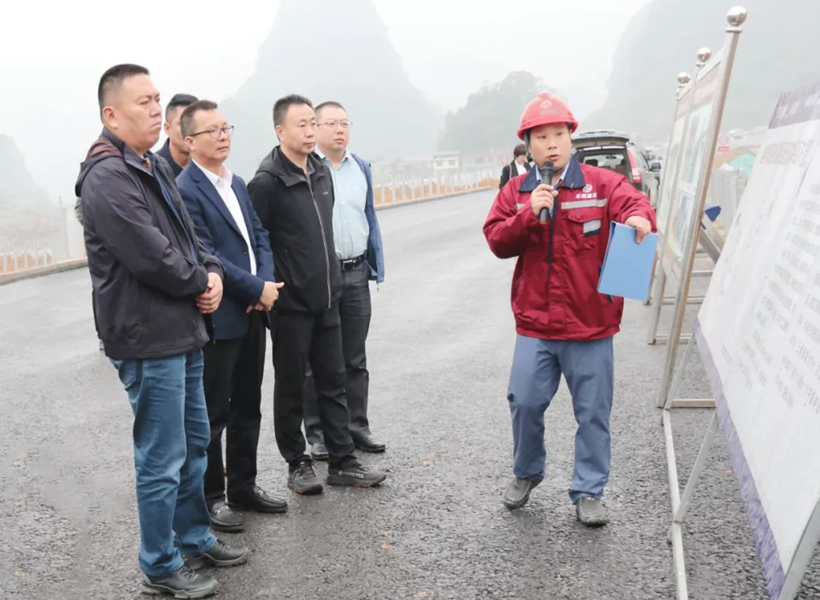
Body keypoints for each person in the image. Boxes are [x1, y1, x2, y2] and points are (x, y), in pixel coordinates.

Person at [75, 64, 248, 598]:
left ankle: (193, 538)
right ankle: (159, 565)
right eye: (144, 102)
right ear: (111, 115)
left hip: (182, 328)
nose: (156, 110)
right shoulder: (107, 177)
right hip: (148, 337)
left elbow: (190, 238)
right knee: (161, 455)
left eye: (157, 99)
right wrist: (201, 282)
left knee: (194, 443)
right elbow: (151, 256)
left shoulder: (150, 164)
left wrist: (212, 274)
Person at [483, 92, 656, 526]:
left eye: (559, 134)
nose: (552, 144)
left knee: (593, 412)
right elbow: (496, 240)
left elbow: (634, 203)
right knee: (524, 400)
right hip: (536, 324)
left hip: (590, 323)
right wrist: (528, 215)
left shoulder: (601, 184)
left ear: (570, 138)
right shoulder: (517, 191)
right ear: (528, 145)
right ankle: (527, 471)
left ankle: (589, 490)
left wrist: (640, 219)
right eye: (541, 137)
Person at [248, 94, 387, 495]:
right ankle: (297, 462)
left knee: (334, 381)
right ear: (280, 131)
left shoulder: (321, 172)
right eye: (302, 125)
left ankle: (343, 461)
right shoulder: (267, 182)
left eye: (313, 123)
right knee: (292, 385)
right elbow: (259, 241)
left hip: (330, 297)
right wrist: (270, 288)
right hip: (291, 304)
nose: (310, 131)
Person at [176, 100, 288, 533]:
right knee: (213, 414)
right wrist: (254, 288)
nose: (223, 136)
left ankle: (243, 486)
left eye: (226, 128)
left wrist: (265, 283)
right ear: (189, 141)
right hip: (219, 317)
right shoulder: (185, 189)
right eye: (212, 131)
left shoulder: (236, 182)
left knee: (247, 405)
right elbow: (208, 253)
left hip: (253, 311)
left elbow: (259, 235)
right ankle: (212, 498)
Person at [302, 100, 386, 461]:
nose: (340, 130)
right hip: (322, 276)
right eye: (332, 123)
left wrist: (374, 262)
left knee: (355, 356)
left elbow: (368, 216)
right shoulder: (307, 168)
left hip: (356, 272)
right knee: (317, 359)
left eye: (345, 123)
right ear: (315, 128)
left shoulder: (360, 167)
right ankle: (318, 432)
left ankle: (357, 426)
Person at [156, 93, 198, 177]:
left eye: (194, 124)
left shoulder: (207, 167)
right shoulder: (154, 168)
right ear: (167, 128)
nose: (189, 130)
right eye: (183, 124)